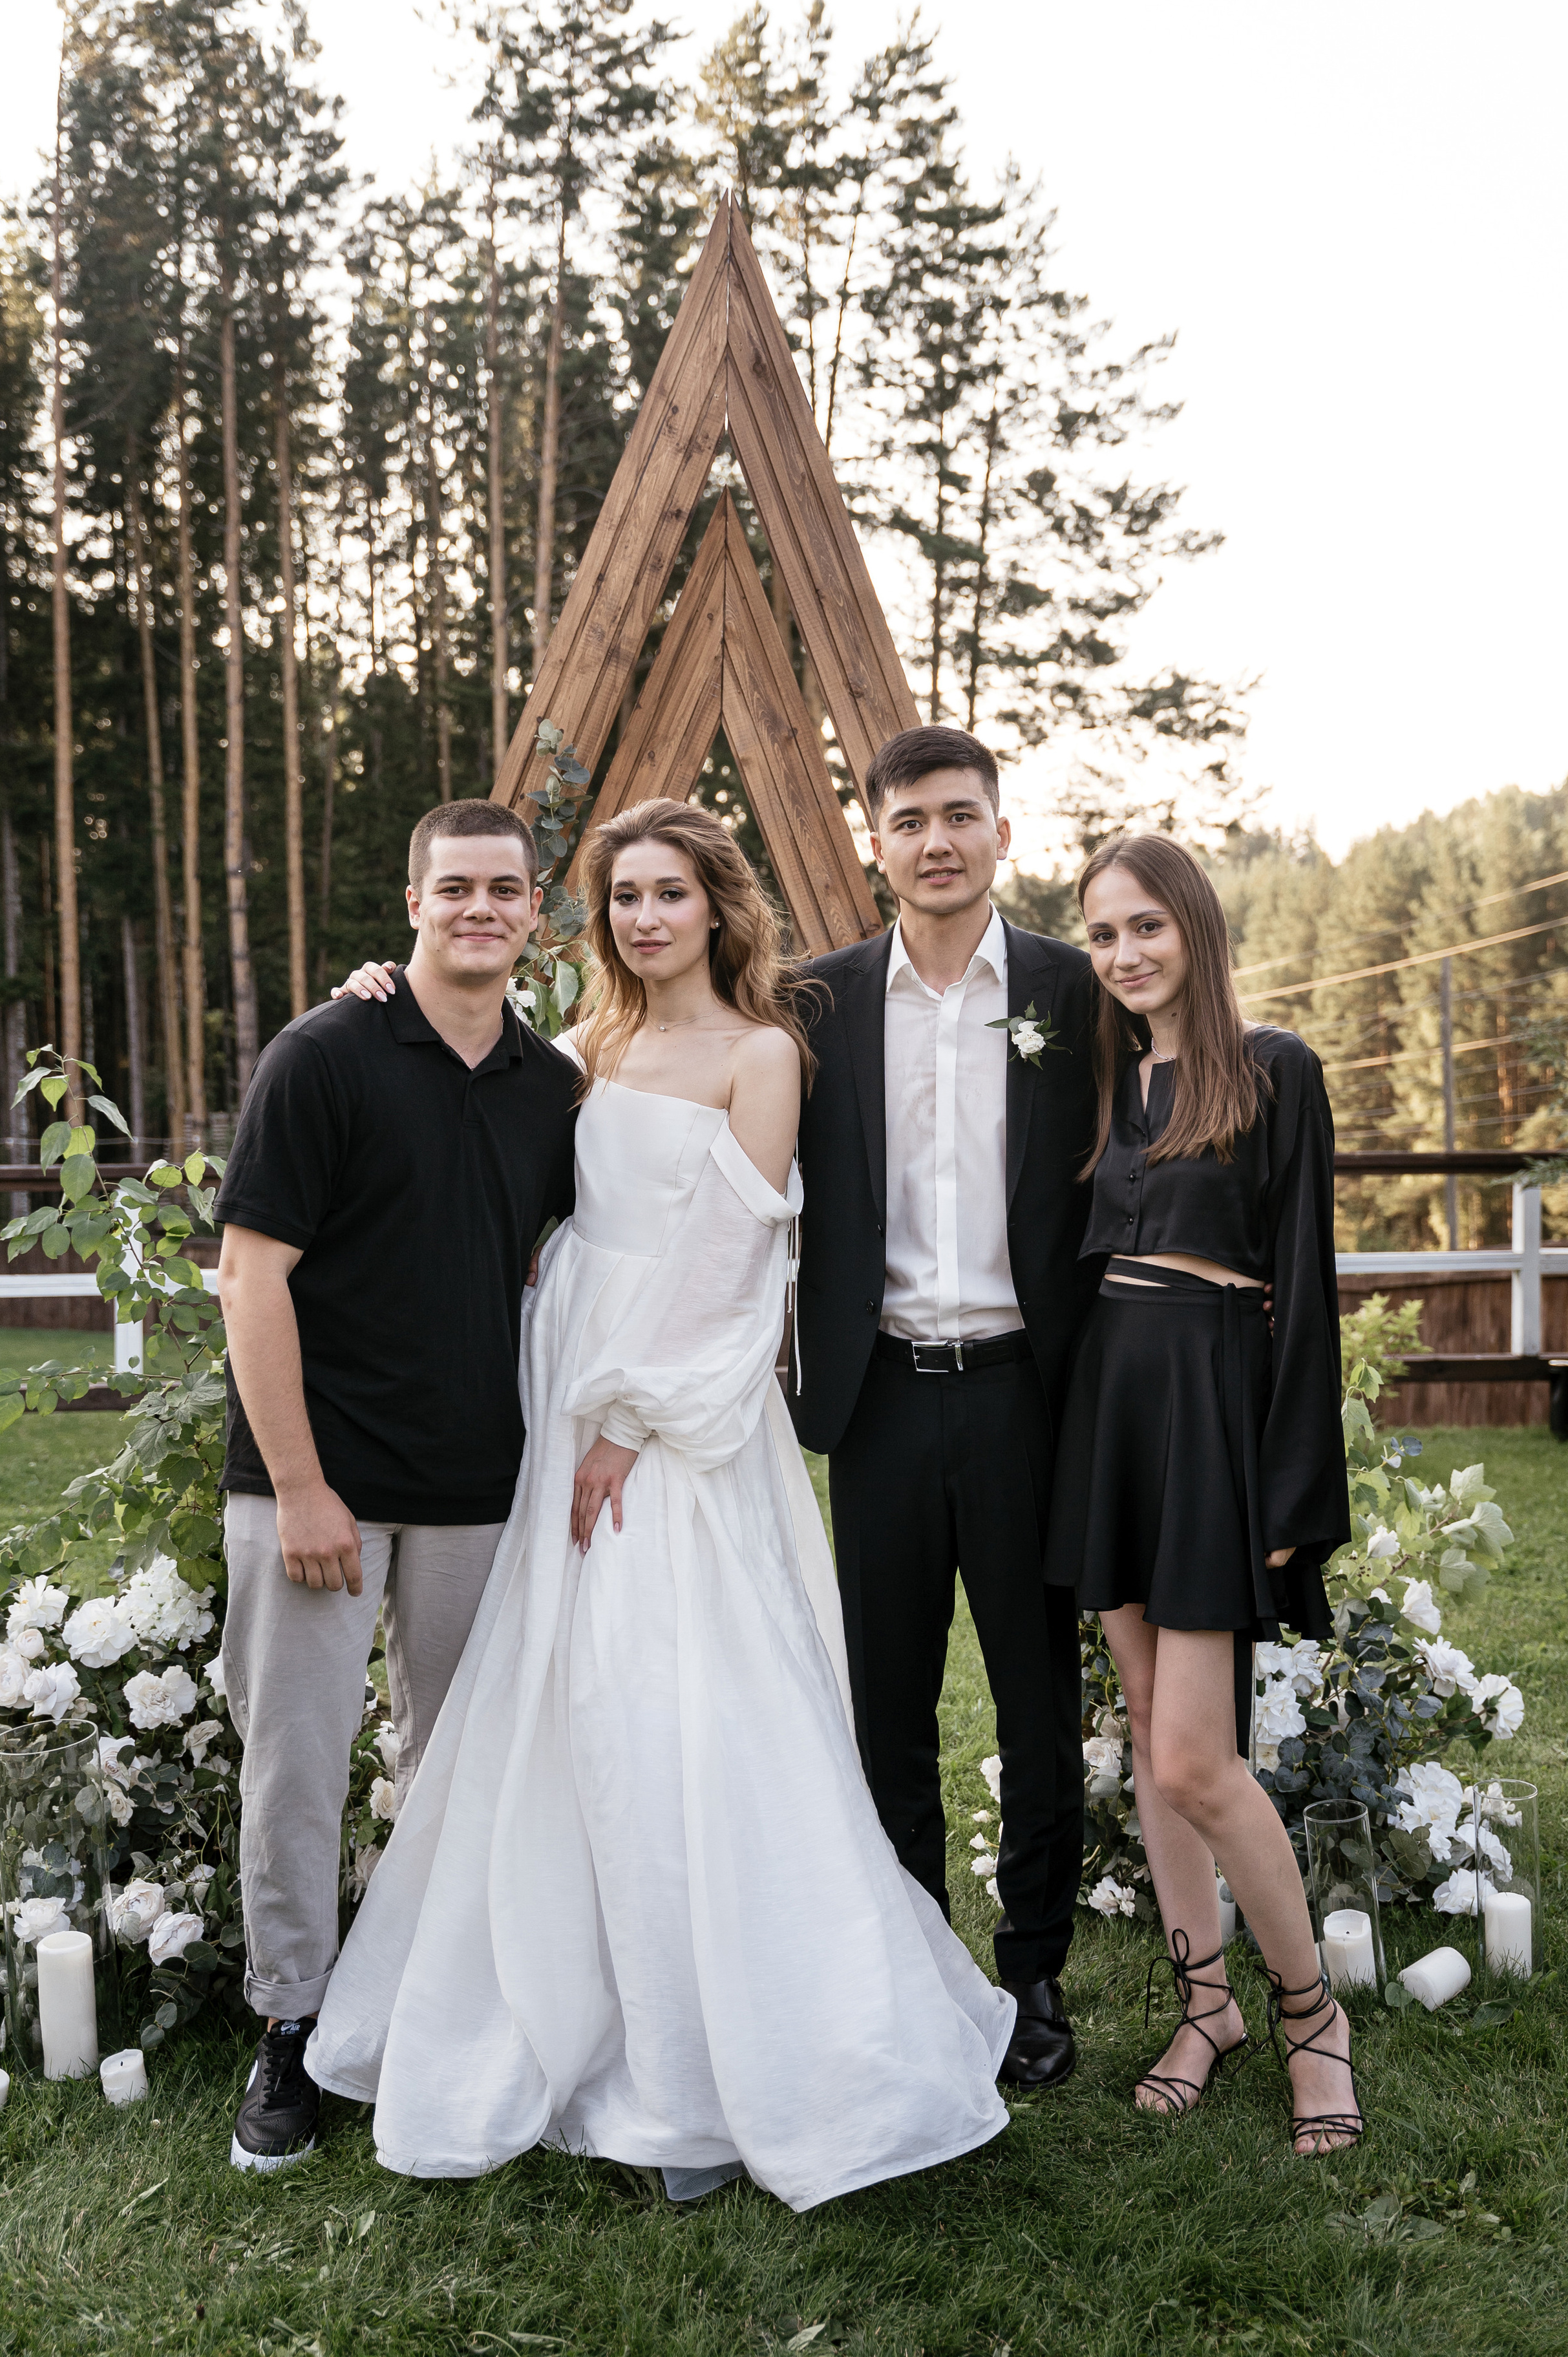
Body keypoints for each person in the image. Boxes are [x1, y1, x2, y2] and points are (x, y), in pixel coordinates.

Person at [308, 798, 1015, 2208]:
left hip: (673, 1414)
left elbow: (732, 1262)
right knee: (566, 1696)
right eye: (620, 896)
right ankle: (579, 2009)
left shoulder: (762, 1055)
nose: (641, 918)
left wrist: (630, 1423)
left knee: (679, 1697)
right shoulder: (581, 1049)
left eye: (666, 895)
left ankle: (715, 2053)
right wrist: (369, 991)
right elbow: (462, 1080)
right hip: (560, 1373)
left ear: (715, 908)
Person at [213, 799, 579, 2174]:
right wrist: (304, 1487)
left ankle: (416, 2013)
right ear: (411, 901)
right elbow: (251, 1277)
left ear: (532, 913)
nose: (479, 909)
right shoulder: (324, 1055)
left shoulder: (555, 1088)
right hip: (316, 1483)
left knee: (455, 1770)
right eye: (455, 888)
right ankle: (290, 2032)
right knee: (297, 1769)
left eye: (504, 890)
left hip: (481, 1486)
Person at [789, 725, 1098, 2090]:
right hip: (880, 1402)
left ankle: (1032, 1976)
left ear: (1000, 835)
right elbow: (652, 1045)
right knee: (886, 1704)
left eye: (958, 816)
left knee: (1037, 1704)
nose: (933, 840)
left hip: (1031, 1393)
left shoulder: (1072, 991)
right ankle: (915, 1964)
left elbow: (1193, 1053)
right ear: (876, 843)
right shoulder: (817, 1002)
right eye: (907, 819)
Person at [1044, 832, 1360, 2152]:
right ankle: (1204, 2004)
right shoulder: (1098, 1080)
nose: (1122, 954)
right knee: (1140, 1729)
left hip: (1209, 1412)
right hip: (1106, 1407)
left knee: (1193, 1757)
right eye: (1101, 934)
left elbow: (1304, 1281)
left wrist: (1292, 1481)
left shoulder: (1271, 1068)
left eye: (1143, 928)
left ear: (1194, 928)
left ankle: (1311, 2024)